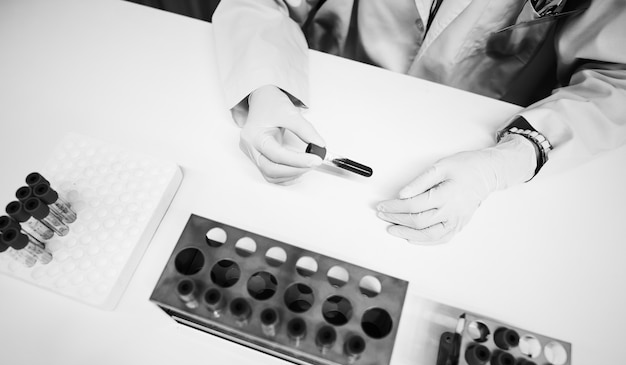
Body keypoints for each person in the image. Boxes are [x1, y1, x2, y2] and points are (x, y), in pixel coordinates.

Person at [212, 0, 626, 244]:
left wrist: (510, 159)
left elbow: (614, 79)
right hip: (321, 99)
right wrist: (265, 86)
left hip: (476, 144)